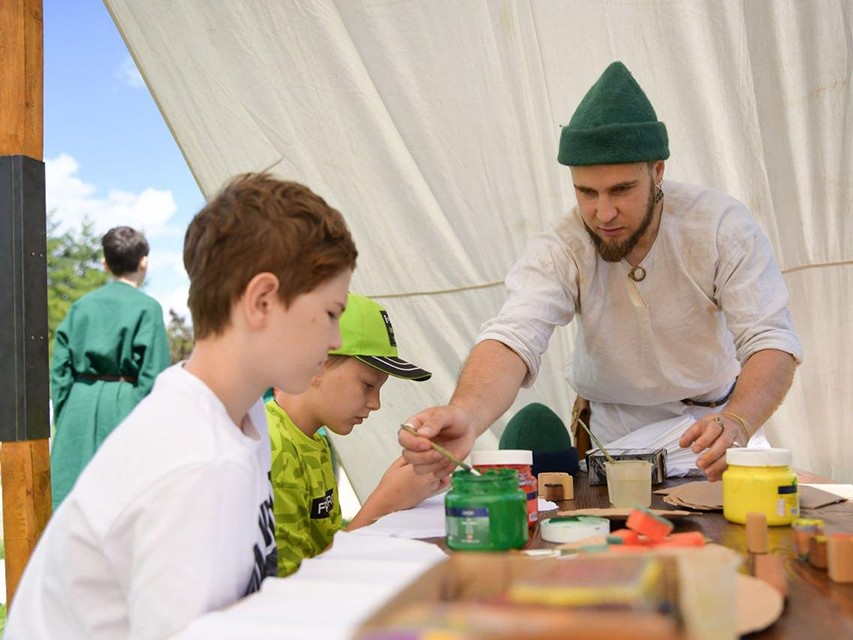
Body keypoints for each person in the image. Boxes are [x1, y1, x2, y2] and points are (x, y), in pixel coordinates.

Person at [399, 61, 802, 483]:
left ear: (657, 171)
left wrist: (737, 421)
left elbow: (770, 340)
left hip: (713, 434)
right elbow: (514, 335)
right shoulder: (562, 245)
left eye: (622, 190)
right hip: (613, 440)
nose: (603, 212)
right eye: (586, 192)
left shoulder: (720, 227)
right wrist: (465, 413)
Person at [6, 174, 358, 640]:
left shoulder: (242, 416)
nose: (335, 339)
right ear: (262, 300)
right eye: (332, 313)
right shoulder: (194, 464)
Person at [267, 292, 444, 576]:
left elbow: (331, 547)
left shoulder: (317, 444)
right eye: (367, 385)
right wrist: (384, 504)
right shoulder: (271, 447)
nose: (376, 404)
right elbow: (288, 587)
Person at [49, 226, 171, 507]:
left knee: (73, 502)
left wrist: (68, 411)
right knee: (123, 503)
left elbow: (60, 370)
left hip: (78, 406)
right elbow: (154, 375)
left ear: (105, 262)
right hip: (126, 407)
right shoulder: (148, 308)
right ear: (144, 261)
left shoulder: (81, 306)